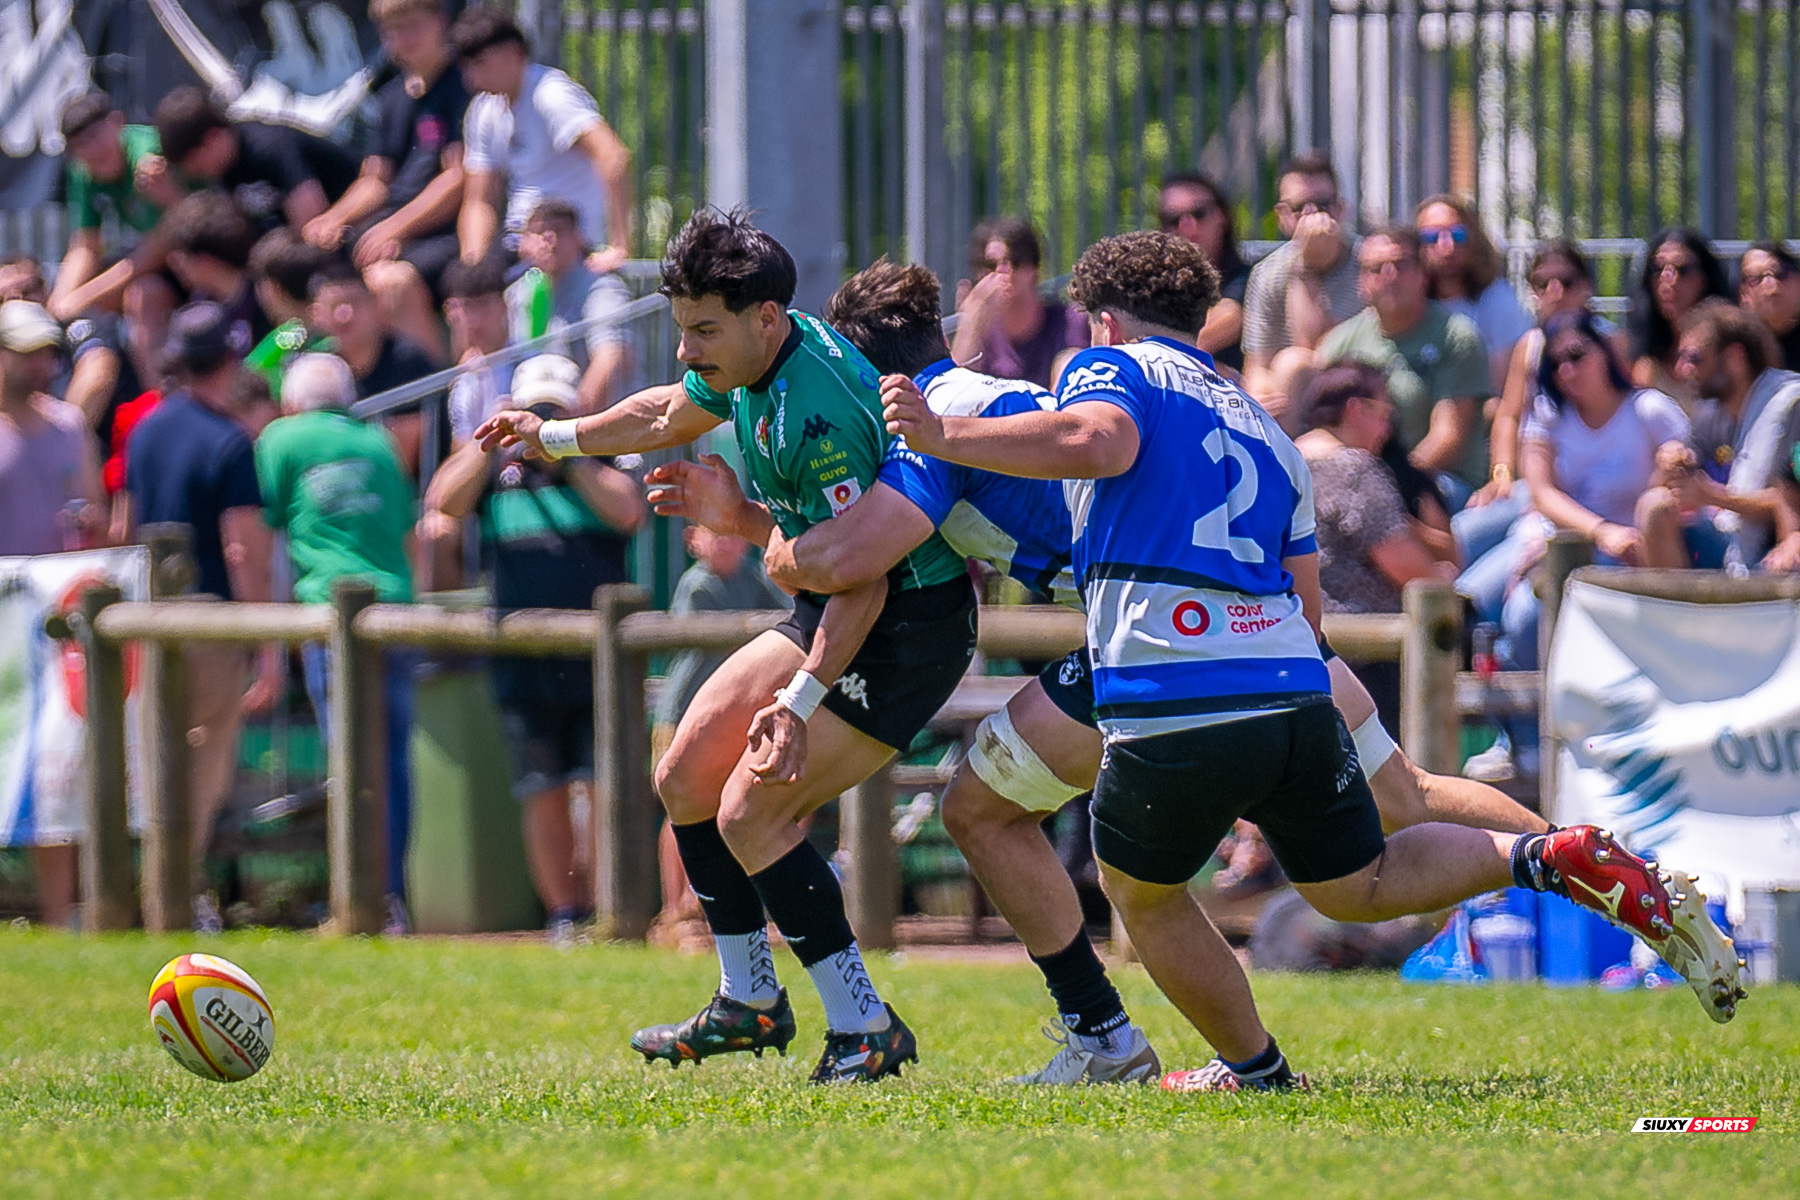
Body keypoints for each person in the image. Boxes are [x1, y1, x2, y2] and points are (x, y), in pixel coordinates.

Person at [652, 257, 1569, 1084]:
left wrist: (755, 532)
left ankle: (1111, 1039)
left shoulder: (928, 424)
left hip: (1160, 636)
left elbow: (855, 557)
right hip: (1272, 630)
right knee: (1401, 797)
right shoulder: (1022, 389)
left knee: (988, 811)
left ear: (863, 370)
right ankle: (1583, 861)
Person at [880, 229, 1743, 1089]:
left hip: (1171, 680)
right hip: (1295, 677)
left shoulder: (1111, 369)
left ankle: (1247, 1068)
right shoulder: (1264, 421)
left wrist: (941, 434)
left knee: (1140, 893)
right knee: (1358, 876)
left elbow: (1100, 440)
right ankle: (1546, 854)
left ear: (1105, 323)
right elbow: (1308, 600)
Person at [476, 209, 977, 1083]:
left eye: (703, 331)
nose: (685, 352)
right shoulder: (749, 363)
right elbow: (668, 411)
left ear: (767, 319)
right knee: (683, 771)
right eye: (681, 329)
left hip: (908, 627)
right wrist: (552, 435)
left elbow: (861, 579)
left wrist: (801, 699)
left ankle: (865, 1025)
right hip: (838, 604)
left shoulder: (819, 410)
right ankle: (748, 1000)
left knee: (752, 809)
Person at [425, 354, 644, 944]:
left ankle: (609, 911)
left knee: (604, 785)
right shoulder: (497, 467)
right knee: (540, 787)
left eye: (554, 409)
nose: (541, 419)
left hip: (599, 662)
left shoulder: (599, 453)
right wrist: (489, 443)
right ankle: (564, 916)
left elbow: (629, 512)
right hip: (522, 660)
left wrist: (564, 451)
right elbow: (443, 502)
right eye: (534, 410)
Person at [1458, 310, 1690, 784]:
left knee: (1524, 618)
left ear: (1605, 354)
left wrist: (1673, 465)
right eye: (1556, 364)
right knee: (1466, 602)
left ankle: (1534, 747)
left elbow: (1685, 481)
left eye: (1578, 355)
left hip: (1628, 548)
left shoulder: (1649, 409)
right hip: (1553, 535)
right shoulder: (1548, 415)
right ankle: (1514, 740)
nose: (1567, 370)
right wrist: (1598, 529)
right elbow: (1541, 493)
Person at [120, 302, 284, 928]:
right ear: (232, 361)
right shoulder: (229, 441)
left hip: (149, 621)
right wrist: (266, 647)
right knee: (204, 767)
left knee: (159, 761)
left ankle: (158, 893)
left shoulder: (144, 431)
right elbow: (244, 550)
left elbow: (124, 527)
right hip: (212, 626)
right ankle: (172, 898)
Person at [254, 353, 419, 933]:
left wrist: (269, 644)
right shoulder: (379, 444)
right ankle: (391, 898)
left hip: (331, 617)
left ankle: (356, 900)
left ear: (292, 401)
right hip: (397, 610)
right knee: (393, 759)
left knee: (348, 757)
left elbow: (264, 533)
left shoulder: (281, 439)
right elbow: (407, 530)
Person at [0, 301, 105, 929]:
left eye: (46, 351)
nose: (41, 363)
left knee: (54, 763)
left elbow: (93, 508)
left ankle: (60, 913)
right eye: (26, 350)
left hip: (50, 626)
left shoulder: (68, 426)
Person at [649, 522, 792, 948]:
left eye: (733, 534)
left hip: (729, 717)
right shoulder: (697, 586)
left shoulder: (753, 581)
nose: (728, 543)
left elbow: (786, 621)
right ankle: (674, 908)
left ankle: (712, 909)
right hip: (683, 715)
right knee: (682, 807)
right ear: (694, 540)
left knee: (731, 806)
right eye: (717, 535)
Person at [1297, 363, 1458, 736]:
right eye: (1385, 413)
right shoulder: (1354, 469)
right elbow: (1403, 563)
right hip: (1371, 662)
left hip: (1300, 649)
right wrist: (1442, 579)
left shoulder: (1281, 460)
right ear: (1356, 408)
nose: (1388, 430)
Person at [304, 0, 469, 359]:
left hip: (441, 232)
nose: (403, 38)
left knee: (391, 283)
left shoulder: (464, 84)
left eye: (412, 26)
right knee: (294, 268)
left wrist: (397, 228)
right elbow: (375, 180)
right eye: (392, 30)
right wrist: (333, 219)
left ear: (440, 22)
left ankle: (432, 397)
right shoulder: (393, 95)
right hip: (390, 229)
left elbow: (458, 178)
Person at [1317, 226, 1493, 505]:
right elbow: (1322, 425)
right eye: (1377, 269)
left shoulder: (1456, 336)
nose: (1390, 276)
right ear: (1362, 283)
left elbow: (1448, 437)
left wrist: (1387, 485)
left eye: (1401, 264)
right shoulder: (1340, 343)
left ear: (1423, 275)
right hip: (1357, 483)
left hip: (1440, 484)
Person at [452, 7, 633, 269]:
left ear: (515, 54)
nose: (471, 79)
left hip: (572, 252)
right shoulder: (483, 111)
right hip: (520, 248)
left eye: (480, 63)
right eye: (466, 67)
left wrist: (619, 248)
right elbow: (479, 201)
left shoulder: (551, 94)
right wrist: (474, 270)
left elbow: (613, 156)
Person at [1639, 300, 1800, 573]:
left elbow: (1785, 502)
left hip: (1771, 552)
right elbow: (1679, 492)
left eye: (1694, 358)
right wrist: (1667, 470)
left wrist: (1714, 496)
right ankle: (1681, 613)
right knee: (1654, 507)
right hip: (1724, 539)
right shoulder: (1711, 413)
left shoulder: (1788, 405)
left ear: (1735, 357)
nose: (1681, 369)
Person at [48, 89, 177, 366]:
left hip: (195, 251)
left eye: (95, 137)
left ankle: (157, 398)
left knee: (143, 297)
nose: (91, 152)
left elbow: (160, 246)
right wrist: (57, 307)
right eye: (80, 145)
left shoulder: (148, 160)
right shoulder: (83, 170)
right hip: (152, 256)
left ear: (117, 123)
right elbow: (85, 246)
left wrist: (80, 299)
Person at [1241, 151, 1364, 416]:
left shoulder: (1368, 264)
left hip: (1359, 393)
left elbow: (1319, 353)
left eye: (1321, 205)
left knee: (1293, 364)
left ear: (1341, 209)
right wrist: (1261, 398)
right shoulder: (1268, 272)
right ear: (1283, 216)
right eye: (1299, 209)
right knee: (1287, 368)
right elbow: (1258, 364)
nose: (1311, 217)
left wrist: (1306, 267)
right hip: (1294, 398)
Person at [153, 87, 358, 236]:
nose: (198, 173)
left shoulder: (269, 147)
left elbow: (310, 215)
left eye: (197, 165)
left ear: (212, 139)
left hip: (351, 222)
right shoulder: (227, 169)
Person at [308, 257, 444, 477]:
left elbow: (398, 459)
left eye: (354, 303)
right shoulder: (319, 368)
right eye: (334, 306)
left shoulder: (408, 361)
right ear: (316, 314)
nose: (345, 316)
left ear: (375, 304)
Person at [506, 199, 633, 410]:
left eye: (558, 231)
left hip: (589, 420)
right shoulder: (517, 293)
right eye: (539, 232)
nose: (549, 240)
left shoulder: (602, 288)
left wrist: (576, 425)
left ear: (579, 238)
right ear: (524, 243)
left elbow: (609, 358)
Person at [949, 216, 1088, 389]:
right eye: (990, 264)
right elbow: (955, 391)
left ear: (1034, 269)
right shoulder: (981, 333)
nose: (1003, 272)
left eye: (1014, 261)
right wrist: (970, 324)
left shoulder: (1070, 322)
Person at [1415, 194, 1532, 392]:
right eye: (1432, 237)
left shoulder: (1497, 300)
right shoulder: (1412, 304)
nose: (1447, 247)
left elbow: (1501, 390)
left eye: (1458, 235)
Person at [1157, 172, 1249, 373]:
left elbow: (1229, 318)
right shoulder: (1155, 290)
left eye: (1199, 213)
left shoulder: (1250, 278)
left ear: (1222, 215)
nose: (1187, 226)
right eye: (1173, 219)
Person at [1629, 227, 1730, 404]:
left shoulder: (1728, 351)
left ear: (1706, 276)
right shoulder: (1645, 360)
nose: (1668, 279)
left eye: (1682, 269)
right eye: (1657, 269)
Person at [161, 190, 272, 349]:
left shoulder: (266, 303)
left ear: (206, 262)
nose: (172, 263)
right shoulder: (198, 308)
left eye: (180, 257)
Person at [244, 228, 331, 400]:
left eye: (261, 282)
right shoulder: (343, 327)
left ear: (275, 288)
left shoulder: (284, 339)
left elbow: (243, 381)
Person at [442, 255, 516, 444]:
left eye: (484, 305)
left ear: (504, 305)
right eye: (467, 307)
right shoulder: (464, 378)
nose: (474, 320)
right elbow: (461, 446)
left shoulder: (529, 360)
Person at [1739, 241, 1800, 372]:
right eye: (1755, 277)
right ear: (1743, 293)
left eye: (1780, 273)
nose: (1770, 282)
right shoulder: (1734, 349)